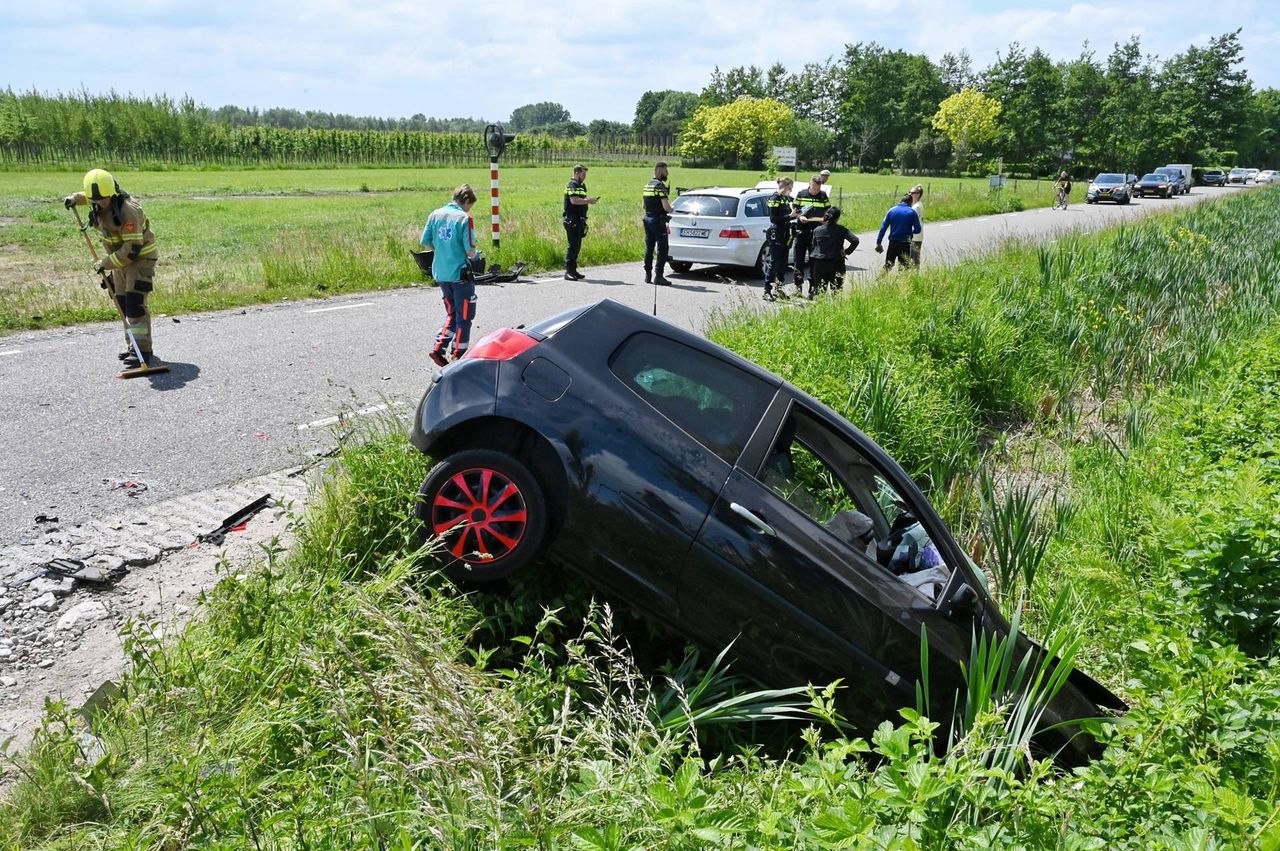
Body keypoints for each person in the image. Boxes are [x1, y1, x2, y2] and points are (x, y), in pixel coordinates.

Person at [63, 169, 159, 367]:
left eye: (105, 199)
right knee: (122, 303)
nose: (101, 203)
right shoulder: (98, 199)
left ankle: (143, 350)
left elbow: (132, 250)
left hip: (139, 258)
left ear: (112, 192)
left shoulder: (128, 211)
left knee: (134, 304)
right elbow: (88, 197)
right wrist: (74, 198)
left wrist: (105, 264)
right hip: (119, 260)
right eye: (96, 201)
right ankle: (133, 346)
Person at [421, 184, 479, 368]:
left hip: (441, 273)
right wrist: (475, 255)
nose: (470, 209)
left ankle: (438, 348)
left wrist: (443, 250)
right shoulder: (464, 218)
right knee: (465, 317)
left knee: (452, 314)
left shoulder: (435, 214)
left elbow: (425, 241)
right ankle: (459, 356)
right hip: (460, 275)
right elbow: (470, 250)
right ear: (467, 200)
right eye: (470, 205)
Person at [791, 175, 830, 296]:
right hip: (801, 232)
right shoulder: (801, 194)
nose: (815, 191)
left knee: (815, 261)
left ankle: (813, 287)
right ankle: (798, 288)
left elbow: (828, 211)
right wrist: (799, 216)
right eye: (813, 188)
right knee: (798, 261)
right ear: (810, 184)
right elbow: (794, 208)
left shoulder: (823, 196)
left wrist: (824, 220)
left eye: (817, 189)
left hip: (817, 234)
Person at [807, 206, 859, 297]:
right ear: (837, 218)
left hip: (819, 263)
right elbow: (855, 240)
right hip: (836, 262)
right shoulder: (842, 229)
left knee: (819, 292)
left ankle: (821, 309)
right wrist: (846, 251)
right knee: (837, 292)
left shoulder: (817, 230)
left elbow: (814, 245)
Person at [762, 177, 797, 301]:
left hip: (786, 234)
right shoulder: (774, 198)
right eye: (789, 188)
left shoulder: (786, 199)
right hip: (776, 233)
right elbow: (774, 218)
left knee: (783, 264)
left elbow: (788, 216)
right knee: (774, 263)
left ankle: (779, 289)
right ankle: (767, 290)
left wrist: (795, 214)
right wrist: (789, 216)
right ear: (784, 187)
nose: (791, 191)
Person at [562, 164, 599, 280]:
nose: (585, 176)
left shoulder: (581, 186)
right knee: (572, 245)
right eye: (583, 174)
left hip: (579, 220)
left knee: (577, 245)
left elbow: (581, 200)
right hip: (572, 220)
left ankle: (574, 270)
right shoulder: (571, 185)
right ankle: (568, 271)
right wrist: (589, 201)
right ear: (577, 173)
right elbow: (574, 200)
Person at [642, 162, 673, 286]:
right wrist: (672, 209)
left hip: (648, 219)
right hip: (658, 221)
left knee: (649, 248)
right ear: (659, 171)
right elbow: (666, 207)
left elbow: (644, 205)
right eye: (666, 171)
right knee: (663, 248)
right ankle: (659, 276)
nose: (667, 174)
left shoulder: (647, 185)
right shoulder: (660, 186)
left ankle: (648, 275)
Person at [874, 194, 922, 272]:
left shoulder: (891, 210)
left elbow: (883, 228)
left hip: (893, 243)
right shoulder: (912, 212)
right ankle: (901, 283)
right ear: (910, 203)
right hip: (905, 244)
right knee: (904, 268)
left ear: (901, 201)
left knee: (888, 265)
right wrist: (911, 234)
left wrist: (879, 242)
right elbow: (918, 229)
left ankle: (879, 281)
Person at [908, 184, 925, 267]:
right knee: (914, 257)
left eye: (912, 193)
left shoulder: (916, 207)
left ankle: (914, 276)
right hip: (916, 235)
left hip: (915, 236)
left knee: (914, 258)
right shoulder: (916, 205)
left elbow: (912, 221)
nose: (910, 194)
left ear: (918, 194)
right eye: (909, 192)